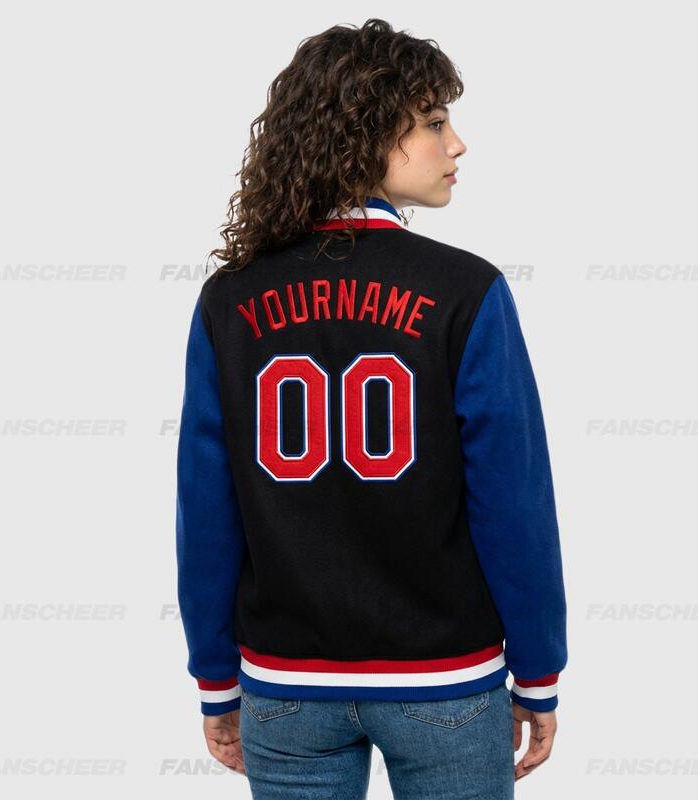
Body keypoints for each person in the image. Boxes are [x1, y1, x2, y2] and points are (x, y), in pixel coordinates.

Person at [175, 18, 567, 800]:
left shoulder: (230, 298)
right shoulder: (467, 290)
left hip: (285, 683)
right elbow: (512, 501)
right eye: (433, 123)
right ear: (365, 135)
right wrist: (538, 668)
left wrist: (215, 677)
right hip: (446, 679)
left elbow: (206, 507)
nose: (457, 144)